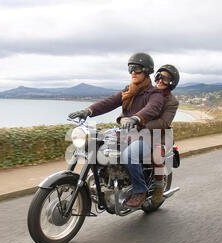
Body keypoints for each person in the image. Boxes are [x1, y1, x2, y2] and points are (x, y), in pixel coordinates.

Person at [68, 52, 164, 208]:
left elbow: (152, 109)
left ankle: (140, 190)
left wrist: (136, 118)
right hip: (126, 134)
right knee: (95, 144)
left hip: (146, 136)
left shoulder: (155, 93)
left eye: (137, 68)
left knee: (129, 154)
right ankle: (101, 181)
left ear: (146, 71)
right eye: (130, 68)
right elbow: (109, 102)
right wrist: (88, 110)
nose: (132, 72)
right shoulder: (129, 90)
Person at [145, 64, 180, 204]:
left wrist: (141, 125)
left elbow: (164, 122)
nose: (160, 81)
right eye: (159, 76)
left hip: (162, 135)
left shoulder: (172, 102)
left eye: (165, 79)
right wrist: (123, 119)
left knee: (156, 155)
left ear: (171, 83)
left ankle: (159, 186)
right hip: (141, 133)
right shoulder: (145, 93)